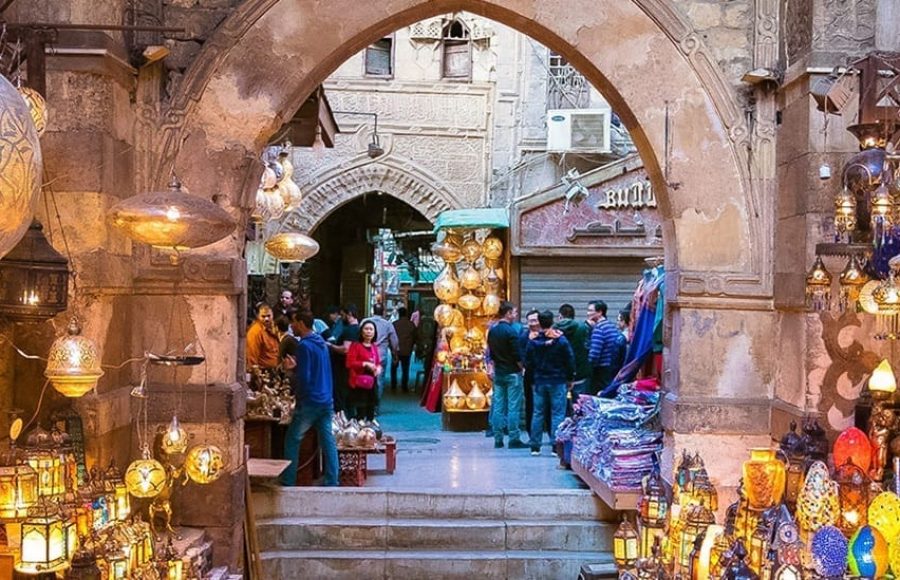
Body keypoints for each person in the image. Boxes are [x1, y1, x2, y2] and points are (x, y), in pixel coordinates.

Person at [279, 310, 338, 487]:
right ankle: (332, 479)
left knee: (292, 439)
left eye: (294, 322)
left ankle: (288, 480)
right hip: (326, 399)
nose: (291, 326)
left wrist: (292, 372)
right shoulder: (321, 343)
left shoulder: (304, 346)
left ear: (302, 324)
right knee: (328, 440)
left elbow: (304, 377)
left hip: (310, 401)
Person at [526, 310, 575, 456]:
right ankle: (555, 446)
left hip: (540, 381)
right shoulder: (560, 339)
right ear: (552, 321)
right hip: (558, 380)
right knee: (558, 413)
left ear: (539, 322)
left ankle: (535, 446)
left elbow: (528, 361)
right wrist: (570, 377)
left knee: (538, 412)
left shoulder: (533, 340)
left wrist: (531, 379)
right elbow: (569, 358)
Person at [486, 301, 528, 449]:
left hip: (499, 373)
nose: (516, 315)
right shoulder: (512, 332)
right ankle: (513, 438)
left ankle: (498, 439)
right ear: (508, 313)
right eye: (514, 312)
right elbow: (517, 355)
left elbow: (490, 353)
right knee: (513, 407)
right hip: (512, 373)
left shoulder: (492, 331)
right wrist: (522, 368)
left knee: (498, 407)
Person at [362, 304, 398, 407]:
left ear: (373, 310)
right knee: (379, 381)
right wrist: (395, 353)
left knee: (364, 378)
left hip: (365, 354)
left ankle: (364, 404)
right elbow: (394, 341)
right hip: (380, 356)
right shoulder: (387, 324)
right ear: (383, 312)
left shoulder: (365, 322)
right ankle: (375, 405)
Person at [327, 304, 360, 414]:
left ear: (349, 314)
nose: (341, 318)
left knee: (341, 396)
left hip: (342, 368)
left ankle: (343, 419)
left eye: (343, 315)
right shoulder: (357, 329)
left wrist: (331, 346)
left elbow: (346, 349)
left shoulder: (350, 330)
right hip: (349, 367)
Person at [346, 320, 382, 421]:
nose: (369, 331)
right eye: (366, 329)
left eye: (371, 329)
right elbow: (349, 363)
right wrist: (364, 364)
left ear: (374, 332)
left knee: (371, 408)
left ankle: (369, 431)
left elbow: (378, 362)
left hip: (372, 382)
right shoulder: (355, 345)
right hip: (359, 383)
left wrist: (378, 368)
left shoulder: (374, 347)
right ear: (361, 331)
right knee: (360, 410)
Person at [554, 304, 591, 397]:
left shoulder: (553, 330)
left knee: (559, 406)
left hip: (559, 374)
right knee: (580, 404)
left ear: (560, 316)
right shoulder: (583, 328)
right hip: (580, 372)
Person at [587, 300, 621, 396]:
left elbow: (594, 353)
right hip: (611, 366)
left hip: (600, 369)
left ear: (600, 312)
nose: (588, 313)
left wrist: (588, 367)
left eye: (590, 311)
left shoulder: (599, 328)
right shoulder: (611, 325)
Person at [520, 309, 540, 436]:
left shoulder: (547, 334)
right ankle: (531, 432)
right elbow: (522, 356)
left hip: (544, 375)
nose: (533, 323)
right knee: (531, 404)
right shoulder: (523, 337)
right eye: (531, 321)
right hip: (530, 376)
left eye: (535, 320)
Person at [246, 304, 280, 371]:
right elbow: (252, 357)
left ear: (272, 315)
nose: (266, 319)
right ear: (258, 316)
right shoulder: (255, 332)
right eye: (263, 316)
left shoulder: (274, 328)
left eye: (268, 316)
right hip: (264, 371)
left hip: (275, 370)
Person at [392, 306, 418, 392]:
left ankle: (393, 384)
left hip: (396, 349)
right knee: (405, 368)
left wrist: (391, 347)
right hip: (407, 350)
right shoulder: (411, 325)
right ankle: (404, 385)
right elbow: (415, 337)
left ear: (399, 314)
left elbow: (391, 337)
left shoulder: (394, 324)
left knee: (394, 367)